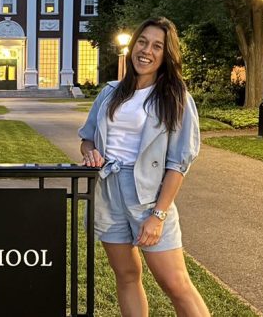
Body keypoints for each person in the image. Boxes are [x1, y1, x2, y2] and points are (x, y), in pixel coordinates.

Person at [78, 17, 209, 316]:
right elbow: (86, 139)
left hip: (148, 196)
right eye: (142, 41)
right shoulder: (111, 91)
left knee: (175, 283)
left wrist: (158, 216)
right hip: (108, 192)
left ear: (166, 54)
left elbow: (179, 163)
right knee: (125, 275)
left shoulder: (176, 97)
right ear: (133, 44)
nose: (146, 50)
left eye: (156, 46)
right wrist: (91, 153)